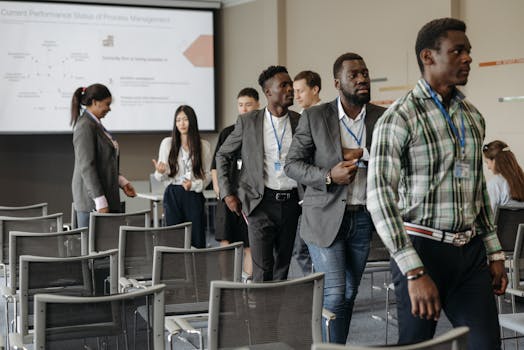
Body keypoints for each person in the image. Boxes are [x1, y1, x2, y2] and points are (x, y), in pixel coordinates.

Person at [367, 18, 507, 350]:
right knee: (417, 346)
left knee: (486, 346)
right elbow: (379, 197)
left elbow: (477, 191)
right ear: (428, 57)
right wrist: (414, 272)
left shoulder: (472, 117)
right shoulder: (399, 117)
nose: (468, 58)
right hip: (421, 250)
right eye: (457, 51)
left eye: (469, 51)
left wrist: (494, 250)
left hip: (470, 253)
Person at [285, 53, 385, 343]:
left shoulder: (381, 118)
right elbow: (292, 164)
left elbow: (393, 159)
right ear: (337, 83)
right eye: (354, 75)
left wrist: (362, 155)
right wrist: (329, 175)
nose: (362, 78)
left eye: (365, 73)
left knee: (351, 291)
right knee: (336, 291)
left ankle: (329, 343)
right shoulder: (316, 116)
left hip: (363, 217)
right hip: (323, 217)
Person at [216, 65, 301, 282]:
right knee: (262, 269)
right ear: (268, 92)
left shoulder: (299, 121)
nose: (290, 89)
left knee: (283, 267)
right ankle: (260, 315)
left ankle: (277, 315)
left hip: (291, 202)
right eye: (284, 85)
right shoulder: (248, 122)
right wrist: (227, 193)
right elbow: (223, 155)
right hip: (259, 203)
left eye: (290, 84)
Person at [71, 83, 136, 228]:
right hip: (93, 204)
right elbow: (87, 167)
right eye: (107, 104)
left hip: (105, 199)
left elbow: (105, 162)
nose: (109, 108)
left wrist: (122, 182)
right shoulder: (85, 126)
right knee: (92, 248)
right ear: (95, 102)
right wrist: (100, 201)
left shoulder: (96, 125)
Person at [211, 87, 260, 279]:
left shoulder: (260, 133)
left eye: (248, 105)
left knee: (250, 244)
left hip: (251, 197)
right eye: (240, 105)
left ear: (258, 105)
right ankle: (227, 283)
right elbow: (215, 165)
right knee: (226, 241)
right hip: (227, 195)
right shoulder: (227, 132)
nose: (244, 109)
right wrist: (219, 189)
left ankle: (248, 282)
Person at [152, 105, 212, 248]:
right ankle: (175, 270)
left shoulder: (204, 145)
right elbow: (160, 177)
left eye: (185, 119)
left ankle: (197, 269)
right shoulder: (167, 143)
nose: (182, 123)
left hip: (193, 194)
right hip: (173, 193)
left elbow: (208, 174)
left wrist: (194, 185)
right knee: (174, 239)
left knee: (197, 238)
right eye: (178, 120)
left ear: (192, 121)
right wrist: (160, 172)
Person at [291, 70, 324, 277]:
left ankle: (322, 295)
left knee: (305, 249)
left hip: (318, 193)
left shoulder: (325, 115)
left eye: (300, 91)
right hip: (303, 194)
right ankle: (319, 293)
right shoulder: (301, 117)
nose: (296, 96)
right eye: (294, 92)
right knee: (302, 250)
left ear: (315, 89)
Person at [483, 140, 524, 212]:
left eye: (487, 162)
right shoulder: (521, 179)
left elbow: (490, 215)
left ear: (494, 160)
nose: (488, 167)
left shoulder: (494, 183)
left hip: (501, 223)